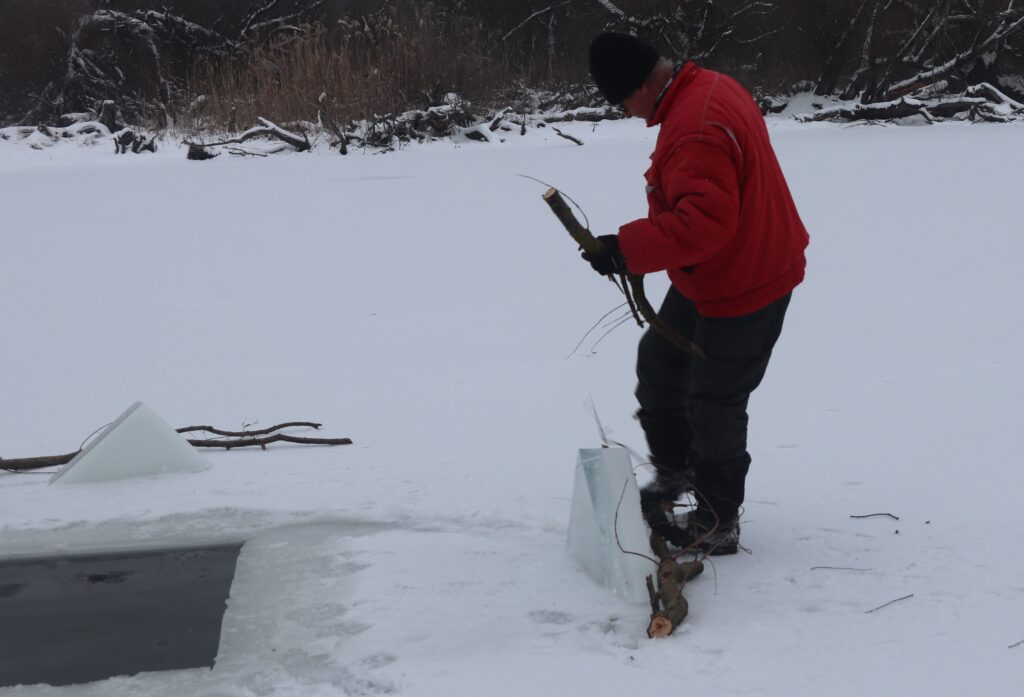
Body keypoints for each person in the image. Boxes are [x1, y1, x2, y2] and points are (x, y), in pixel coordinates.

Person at [583, 32, 809, 555]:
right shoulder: (705, 88)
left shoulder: (696, 127)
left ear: (641, 86)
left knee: (715, 400)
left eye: (620, 101)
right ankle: (678, 473)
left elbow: (704, 224)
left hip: (748, 277)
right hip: (716, 271)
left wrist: (626, 249)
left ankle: (716, 520)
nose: (624, 113)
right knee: (661, 364)